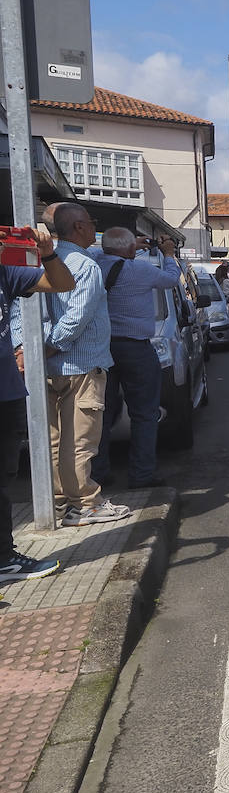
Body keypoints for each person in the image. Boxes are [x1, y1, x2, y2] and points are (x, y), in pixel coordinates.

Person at [14, 204, 132, 526]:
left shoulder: (32, 261)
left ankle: (57, 505)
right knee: (79, 441)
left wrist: (26, 350)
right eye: (92, 223)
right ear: (79, 227)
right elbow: (76, 317)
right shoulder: (84, 264)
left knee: (52, 440)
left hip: (43, 370)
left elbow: (16, 310)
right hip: (79, 364)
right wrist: (49, 348)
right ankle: (86, 505)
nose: (94, 229)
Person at [1, 225, 73, 581]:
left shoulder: (5, 271)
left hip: (7, 392)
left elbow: (61, 283)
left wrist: (47, 252)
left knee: (3, 479)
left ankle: (3, 560)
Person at [88, 227, 182, 489]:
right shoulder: (140, 270)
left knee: (101, 413)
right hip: (135, 347)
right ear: (129, 249)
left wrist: (126, 246)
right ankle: (142, 474)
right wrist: (169, 254)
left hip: (100, 348)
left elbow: (100, 249)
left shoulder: (94, 263)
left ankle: (98, 472)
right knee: (144, 413)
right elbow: (171, 279)